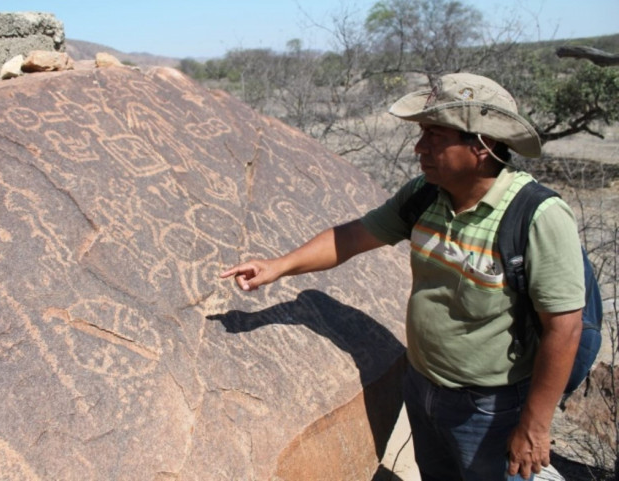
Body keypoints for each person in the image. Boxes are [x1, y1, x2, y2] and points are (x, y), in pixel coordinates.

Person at [220, 73, 585, 481]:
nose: (418, 147)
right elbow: (354, 236)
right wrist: (278, 266)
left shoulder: (537, 217)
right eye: (421, 134)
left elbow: (565, 328)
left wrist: (534, 426)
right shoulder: (425, 195)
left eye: (435, 136)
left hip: (492, 407)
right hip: (422, 386)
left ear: (482, 145)